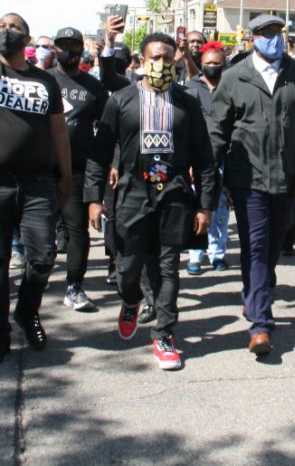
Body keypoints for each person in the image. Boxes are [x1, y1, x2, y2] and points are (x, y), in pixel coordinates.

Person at [85, 32, 217, 370]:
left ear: (175, 61)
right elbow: (99, 154)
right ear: (142, 62)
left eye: (167, 58)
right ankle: (131, 300)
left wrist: (204, 205)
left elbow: (204, 157)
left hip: (173, 197)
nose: (161, 64)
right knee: (128, 267)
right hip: (130, 194)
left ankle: (164, 334)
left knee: (168, 267)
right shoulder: (122, 100)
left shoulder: (187, 103)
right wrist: (94, 198)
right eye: (154, 58)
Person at [208, 14, 295, 356]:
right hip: (248, 180)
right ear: (252, 39)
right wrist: (211, 177)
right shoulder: (234, 78)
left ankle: (253, 295)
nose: (272, 38)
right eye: (265, 33)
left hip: (289, 181)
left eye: (277, 32)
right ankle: (261, 324)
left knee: (271, 247)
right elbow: (217, 130)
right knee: (257, 246)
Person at [0, 13, 72, 360]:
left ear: (27, 40)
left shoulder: (46, 82)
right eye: (1, 26)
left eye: (14, 27)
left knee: (42, 257)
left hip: (38, 183)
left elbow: (59, 130)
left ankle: (26, 312)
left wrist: (67, 175)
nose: (7, 31)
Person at [50, 26, 109, 311]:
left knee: (78, 231)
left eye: (74, 46)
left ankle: (74, 286)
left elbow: (109, 130)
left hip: (77, 171)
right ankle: (34, 278)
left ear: (81, 49)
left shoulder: (93, 87)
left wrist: (110, 164)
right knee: (36, 232)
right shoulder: (44, 80)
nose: (68, 51)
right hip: (39, 170)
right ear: (54, 48)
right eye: (62, 45)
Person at [184, 42, 232, 274]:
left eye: (217, 63)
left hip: (225, 157)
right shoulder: (191, 90)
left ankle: (218, 253)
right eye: (208, 63)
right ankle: (195, 255)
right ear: (200, 66)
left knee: (221, 209)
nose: (213, 67)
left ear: (224, 65)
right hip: (198, 158)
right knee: (198, 206)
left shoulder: (231, 88)